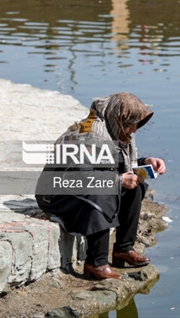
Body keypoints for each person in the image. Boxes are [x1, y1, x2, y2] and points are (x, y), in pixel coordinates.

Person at [36, 93, 166, 281]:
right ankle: (96, 262)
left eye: (135, 125)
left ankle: (123, 249)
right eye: (130, 125)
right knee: (103, 191)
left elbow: (115, 164)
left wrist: (146, 162)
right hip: (56, 193)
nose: (133, 130)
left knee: (137, 186)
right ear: (118, 119)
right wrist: (119, 180)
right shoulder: (89, 135)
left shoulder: (115, 131)